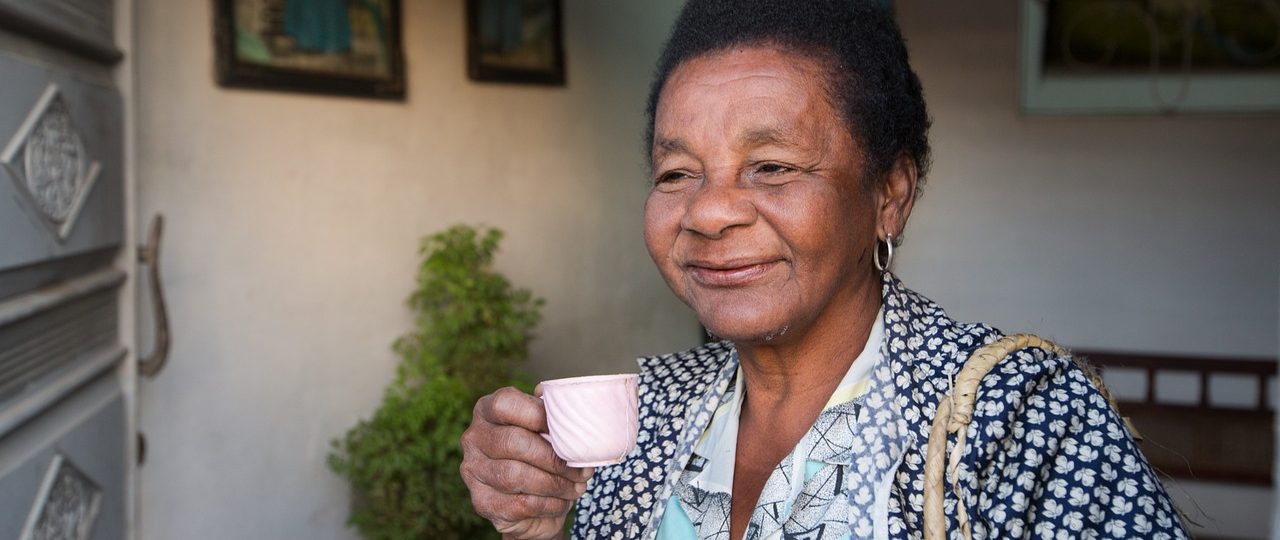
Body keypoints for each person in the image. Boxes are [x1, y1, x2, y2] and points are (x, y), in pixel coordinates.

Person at [460, 1, 1189, 538]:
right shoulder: (645, 419)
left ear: (888, 197)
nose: (709, 213)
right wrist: (539, 526)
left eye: (772, 166)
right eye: (676, 172)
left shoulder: (1019, 419)